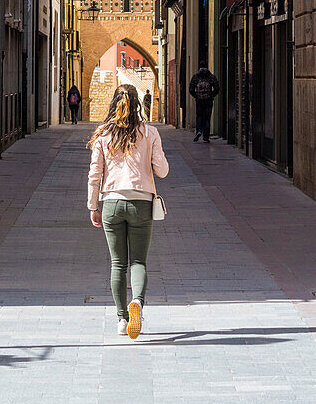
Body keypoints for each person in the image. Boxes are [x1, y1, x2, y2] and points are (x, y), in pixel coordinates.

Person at [87, 83, 169, 339]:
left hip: (111, 202)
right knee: (138, 261)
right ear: (137, 105)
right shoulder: (149, 132)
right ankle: (139, 304)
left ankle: (122, 319)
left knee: (117, 263)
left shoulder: (102, 134)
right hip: (141, 202)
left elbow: (95, 174)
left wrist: (93, 206)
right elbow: (163, 170)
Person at [189, 65, 219, 142]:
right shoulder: (211, 77)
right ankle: (206, 137)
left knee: (199, 116)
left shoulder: (196, 77)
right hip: (208, 100)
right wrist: (211, 95)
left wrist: (196, 96)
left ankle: (199, 130)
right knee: (207, 118)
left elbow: (191, 89)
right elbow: (217, 88)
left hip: (199, 100)